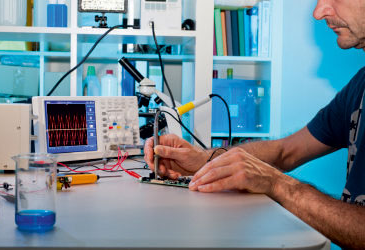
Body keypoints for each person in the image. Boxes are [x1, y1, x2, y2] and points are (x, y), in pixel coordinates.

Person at [144, 0, 365, 248]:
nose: (318, 12)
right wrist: (201, 160)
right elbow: (286, 151)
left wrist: (279, 185)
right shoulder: (360, 86)